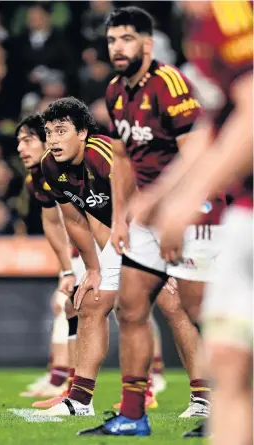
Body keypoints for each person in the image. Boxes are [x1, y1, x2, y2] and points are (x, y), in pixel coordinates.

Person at [78, 6, 225, 436]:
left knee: (199, 310)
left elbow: (196, 153)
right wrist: (122, 215)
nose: (118, 48)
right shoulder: (115, 92)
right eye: (112, 40)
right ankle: (132, 414)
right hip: (146, 216)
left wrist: (176, 209)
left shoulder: (170, 85)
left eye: (126, 39)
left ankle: (226, 405)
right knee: (131, 306)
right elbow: (122, 157)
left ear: (147, 43)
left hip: (193, 211)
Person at [31, 97, 210, 419]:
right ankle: (79, 401)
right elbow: (75, 221)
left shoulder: (103, 156)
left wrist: (163, 265)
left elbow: (146, 198)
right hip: (130, 228)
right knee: (92, 300)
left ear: (83, 132)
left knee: (175, 303)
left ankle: (204, 399)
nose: (53, 139)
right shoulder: (50, 165)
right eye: (48, 132)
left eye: (61, 131)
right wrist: (94, 269)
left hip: (169, 216)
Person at [130, 1, 253, 440]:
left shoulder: (231, 15)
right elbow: (213, 129)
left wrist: (190, 198)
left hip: (243, 213)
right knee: (228, 359)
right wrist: (162, 193)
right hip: (243, 210)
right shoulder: (201, 25)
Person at [16, 114, 82, 400]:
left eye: (27, 140)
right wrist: (68, 268)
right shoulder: (37, 178)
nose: (20, 148)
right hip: (82, 249)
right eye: (19, 142)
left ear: (47, 141)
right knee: (66, 306)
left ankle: (150, 380)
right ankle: (66, 383)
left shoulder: (69, 167)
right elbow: (53, 222)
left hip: (106, 243)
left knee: (135, 310)